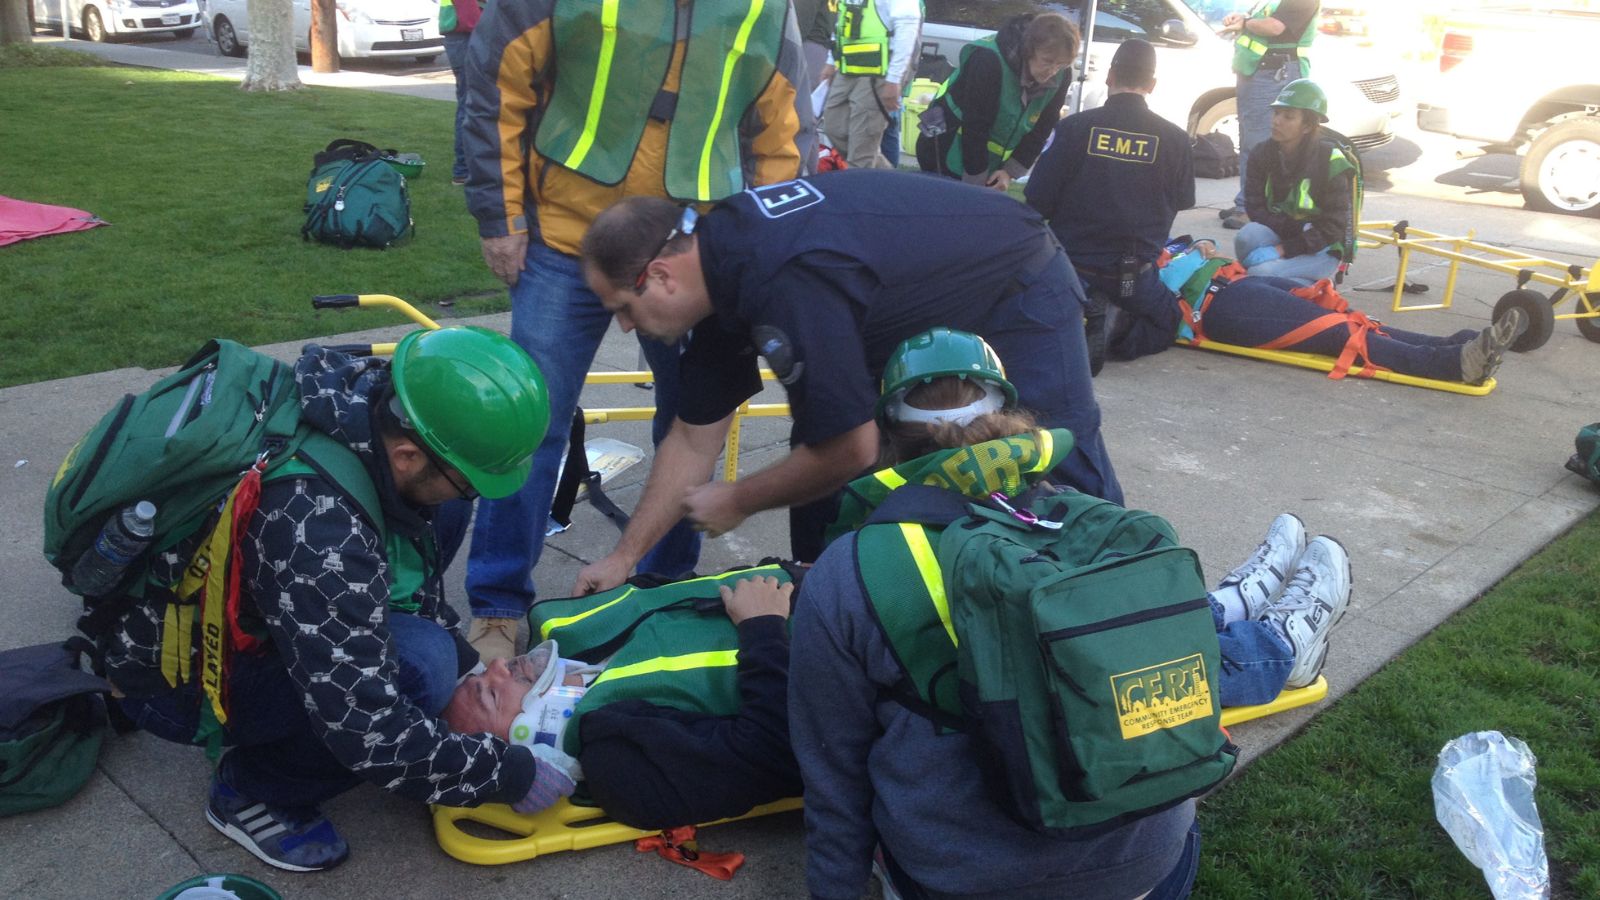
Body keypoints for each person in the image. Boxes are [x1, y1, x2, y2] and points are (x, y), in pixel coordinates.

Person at [787, 329, 1352, 899]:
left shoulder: (848, 572)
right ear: (1010, 419)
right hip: (1152, 869)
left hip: (963, 883)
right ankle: (1258, 624)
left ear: (887, 437)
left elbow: (833, 777)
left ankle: (1246, 614)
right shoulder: (1089, 519)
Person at [109, 329, 578, 872]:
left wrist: (465, 662)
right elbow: (368, 731)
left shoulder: (363, 406)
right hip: (167, 677)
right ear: (405, 454)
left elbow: (407, 573)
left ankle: (362, 653)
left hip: (225, 603)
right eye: (469, 483)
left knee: (439, 524)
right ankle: (251, 791)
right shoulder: (322, 530)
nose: (468, 494)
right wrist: (509, 775)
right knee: (419, 674)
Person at [458, 0, 815, 659]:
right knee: (526, 425)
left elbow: (782, 136)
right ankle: (499, 603)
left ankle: (659, 586)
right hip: (566, 241)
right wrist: (498, 214)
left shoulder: (766, 9)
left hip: (687, 254)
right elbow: (496, 80)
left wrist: (761, 257)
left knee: (694, 422)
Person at [576, 168, 1121, 578]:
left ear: (662, 275)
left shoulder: (782, 276)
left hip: (1017, 279)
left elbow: (849, 449)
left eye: (622, 307)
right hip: (900, 302)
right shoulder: (720, 271)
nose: (624, 328)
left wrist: (739, 499)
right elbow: (694, 441)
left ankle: (1122, 591)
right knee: (820, 468)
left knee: (1055, 455)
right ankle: (825, 606)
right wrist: (624, 557)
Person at [442, 575, 801, 829]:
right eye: (489, 693)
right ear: (532, 736)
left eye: (481, 675)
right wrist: (763, 627)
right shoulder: (619, 766)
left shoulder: (582, 649)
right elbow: (772, 751)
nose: (498, 665)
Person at [1105, 239, 1526, 385]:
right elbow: (1143, 317)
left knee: (1349, 317)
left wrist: (1199, 249)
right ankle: (1453, 365)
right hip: (1217, 308)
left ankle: (1455, 347)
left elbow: (1173, 255)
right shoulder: (1109, 277)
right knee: (1336, 332)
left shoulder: (1139, 239)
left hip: (1235, 283)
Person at [1025, 38, 1195, 370]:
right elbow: (1183, 200)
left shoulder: (1074, 128)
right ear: (1152, 84)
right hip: (1133, 277)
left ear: (1109, 77)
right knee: (1168, 322)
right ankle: (1115, 327)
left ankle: (1078, 323)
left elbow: (1037, 200)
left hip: (1071, 270)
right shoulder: (1175, 139)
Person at [917, 12, 1077, 191]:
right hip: (945, 148)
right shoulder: (988, 61)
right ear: (1029, 50)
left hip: (989, 160)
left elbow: (1042, 129)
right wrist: (977, 183)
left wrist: (1009, 172)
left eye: (1060, 64)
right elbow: (975, 127)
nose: (1052, 71)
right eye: (1047, 61)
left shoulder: (1063, 75)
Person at [1233, 79, 1354, 285]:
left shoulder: (1330, 160)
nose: (1276, 121)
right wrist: (1296, 228)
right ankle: (1276, 283)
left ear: (1307, 126)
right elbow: (1255, 208)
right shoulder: (1262, 153)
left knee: (1260, 272)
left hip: (1322, 249)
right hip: (1288, 235)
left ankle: (1319, 285)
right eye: (1276, 113)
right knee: (1247, 236)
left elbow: (1333, 228)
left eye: (1288, 117)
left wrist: (1283, 250)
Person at [1219, 0, 1321, 229]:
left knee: (1259, 142)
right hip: (1258, 72)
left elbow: (1275, 27)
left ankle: (1251, 209)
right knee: (1249, 140)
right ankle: (1245, 201)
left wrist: (1244, 23)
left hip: (1274, 73)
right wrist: (1242, 21)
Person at [822, 0, 921, 169]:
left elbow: (907, 29)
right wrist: (831, 61)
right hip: (848, 69)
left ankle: (860, 188)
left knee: (862, 145)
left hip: (879, 73)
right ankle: (890, 182)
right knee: (834, 127)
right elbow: (842, 19)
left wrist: (894, 79)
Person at [437, 0, 482, 185]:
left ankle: (465, 169)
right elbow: (469, 15)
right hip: (466, 36)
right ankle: (463, 170)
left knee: (469, 102)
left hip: (460, 36)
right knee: (470, 103)